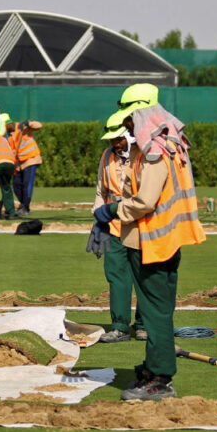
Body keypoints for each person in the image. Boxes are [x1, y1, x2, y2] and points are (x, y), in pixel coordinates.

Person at [94, 98, 205, 401]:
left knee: (155, 314)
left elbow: (145, 201)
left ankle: (160, 379)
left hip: (153, 242)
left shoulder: (155, 152)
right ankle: (155, 367)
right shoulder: (172, 146)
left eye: (130, 118)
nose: (128, 125)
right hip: (163, 240)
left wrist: (113, 211)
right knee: (160, 311)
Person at [89, 109, 144, 343]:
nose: (115, 144)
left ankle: (144, 325)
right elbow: (101, 192)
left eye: (118, 139)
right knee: (116, 276)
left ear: (130, 136)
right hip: (113, 226)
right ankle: (120, 326)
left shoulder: (144, 155)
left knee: (144, 277)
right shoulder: (106, 156)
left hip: (141, 224)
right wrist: (98, 221)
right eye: (112, 140)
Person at [8, 120, 43, 216]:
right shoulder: (7, 136)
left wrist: (28, 123)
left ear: (9, 124)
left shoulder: (22, 128)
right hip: (19, 164)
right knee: (16, 186)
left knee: (27, 185)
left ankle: (25, 208)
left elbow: (39, 125)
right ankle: (24, 205)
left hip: (31, 159)